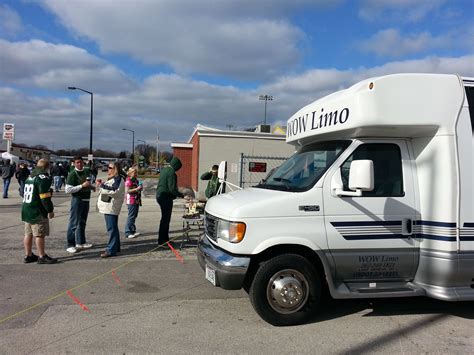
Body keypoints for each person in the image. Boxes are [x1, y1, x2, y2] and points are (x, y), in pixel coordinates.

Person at [21, 159, 57, 264]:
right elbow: (44, 197)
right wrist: (50, 210)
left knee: (28, 233)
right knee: (39, 234)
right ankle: (42, 256)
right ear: (47, 167)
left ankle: (28, 255)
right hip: (37, 210)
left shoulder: (30, 176)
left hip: (27, 208)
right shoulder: (43, 178)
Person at [65, 156, 94, 254]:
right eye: (77, 162)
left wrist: (91, 186)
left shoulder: (86, 172)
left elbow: (87, 183)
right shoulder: (72, 174)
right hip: (77, 200)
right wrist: (82, 186)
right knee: (74, 223)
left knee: (82, 222)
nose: (80, 164)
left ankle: (81, 242)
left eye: (81, 162)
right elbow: (68, 190)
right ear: (74, 163)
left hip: (86, 199)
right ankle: (70, 244)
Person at [97, 161, 125, 258]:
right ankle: (115, 247)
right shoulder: (114, 178)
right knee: (113, 228)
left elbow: (115, 191)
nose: (108, 169)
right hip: (109, 206)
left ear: (115, 169)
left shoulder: (118, 179)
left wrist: (102, 186)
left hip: (111, 207)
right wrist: (102, 184)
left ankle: (111, 250)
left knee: (111, 229)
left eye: (110, 167)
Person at [156, 157, 185, 245]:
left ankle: (165, 239)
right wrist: (182, 195)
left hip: (160, 196)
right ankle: (162, 241)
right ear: (176, 166)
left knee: (164, 219)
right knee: (166, 219)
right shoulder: (172, 173)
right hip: (165, 198)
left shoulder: (165, 170)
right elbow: (172, 189)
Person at [124, 167, 143, 239]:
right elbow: (128, 191)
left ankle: (132, 230)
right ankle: (128, 232)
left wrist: (140, 188)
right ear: (130, 173)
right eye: (134, 172)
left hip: (136, 200)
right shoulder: (128, 181)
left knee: (134, 216)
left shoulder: (136, 180)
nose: (136, 174)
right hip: (131, 200)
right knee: (131, 216)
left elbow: (138, 188)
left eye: (136, 172)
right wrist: (137, 189)